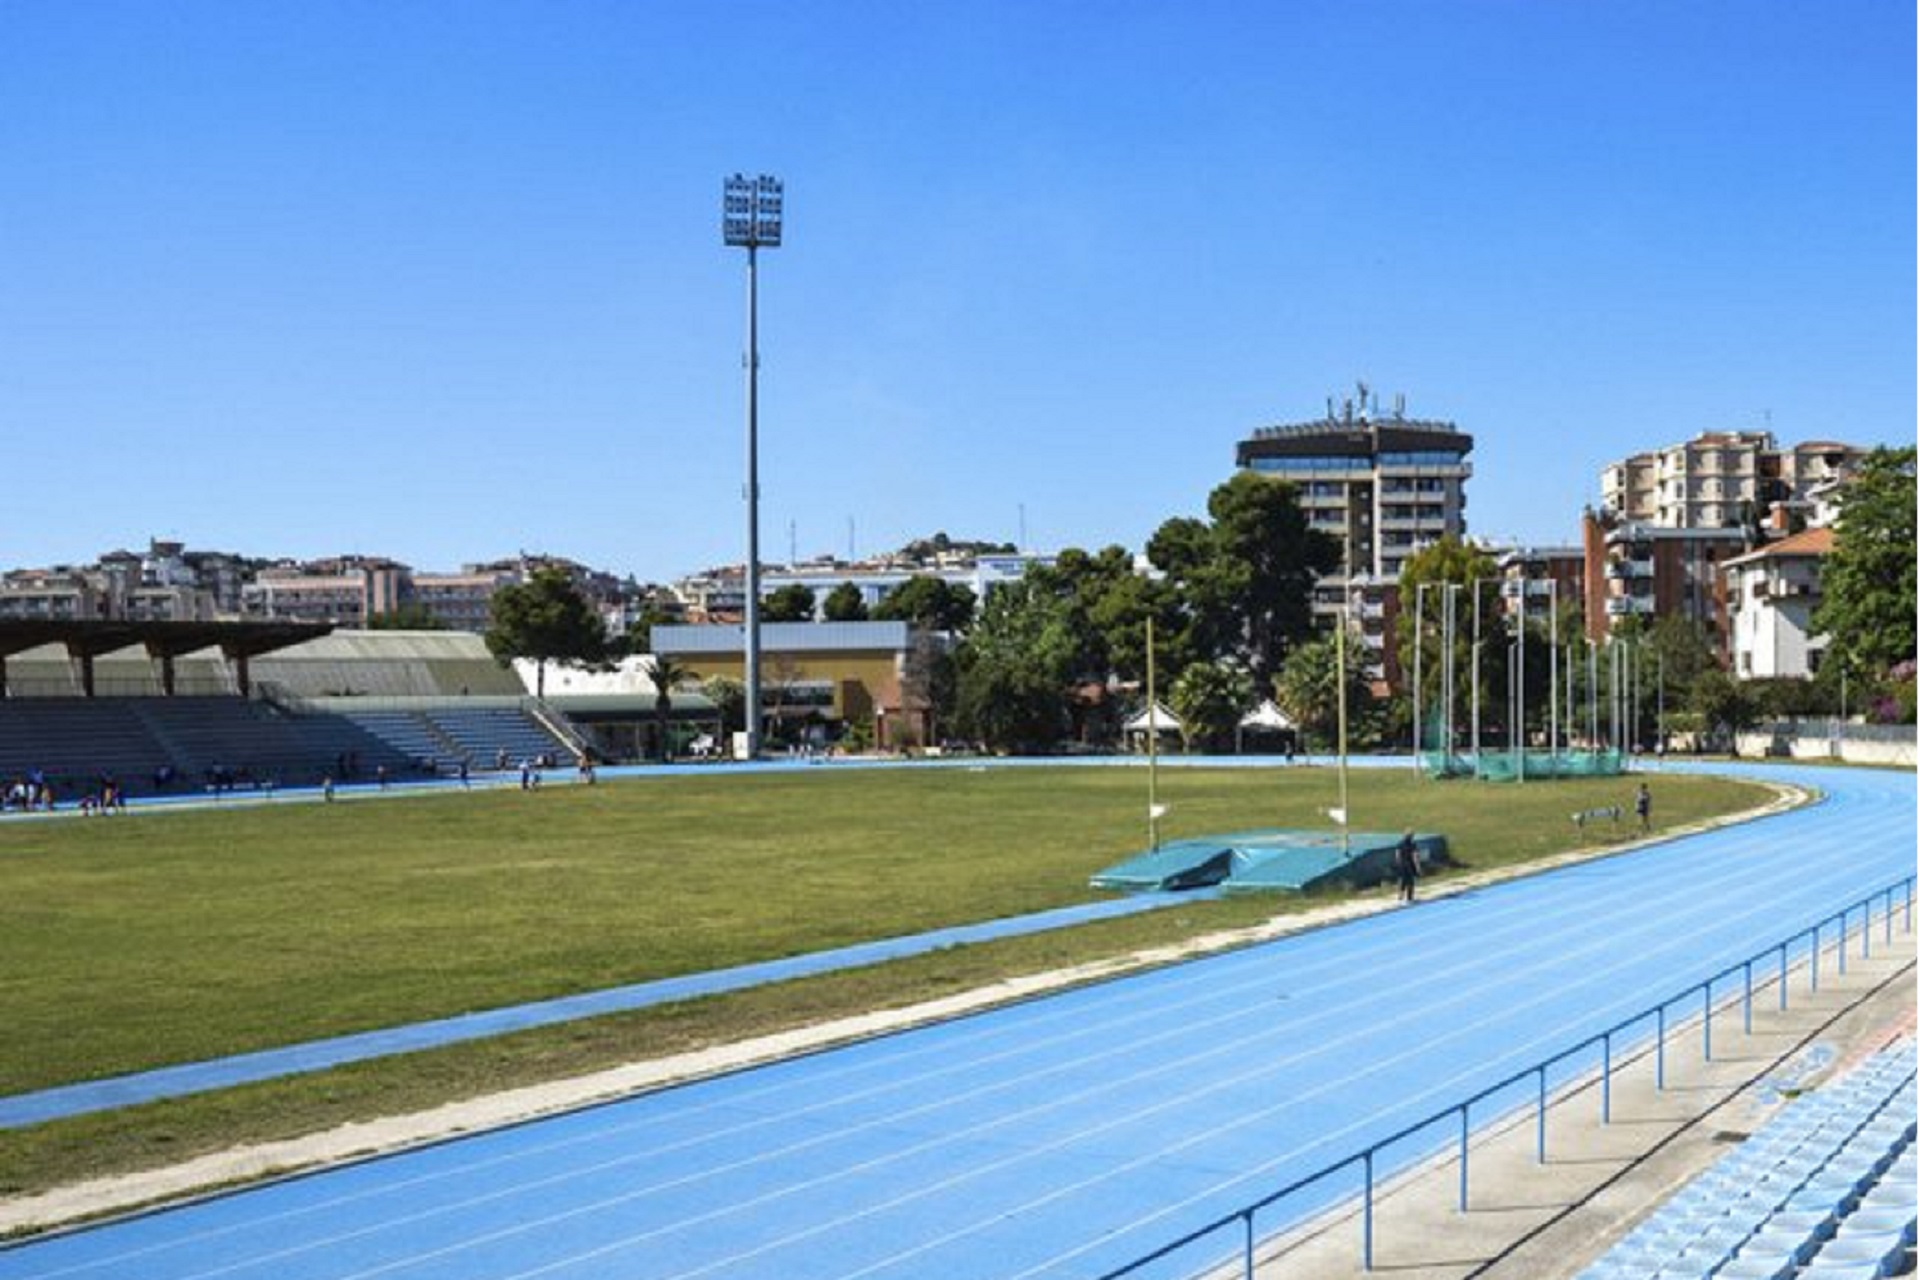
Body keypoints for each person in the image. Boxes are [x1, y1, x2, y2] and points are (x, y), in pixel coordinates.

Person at [1393, 830, 1421, 903]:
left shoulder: (1400, 844)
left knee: (1402, 881)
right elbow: (1415, 856)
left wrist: (1398, 864)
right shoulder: (1412, 844)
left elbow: (1397, 855)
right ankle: (1409, 898)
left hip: (1402, 865)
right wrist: (1417, 867)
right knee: (1410, 881)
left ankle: (1400, 897)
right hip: (1409, 865)